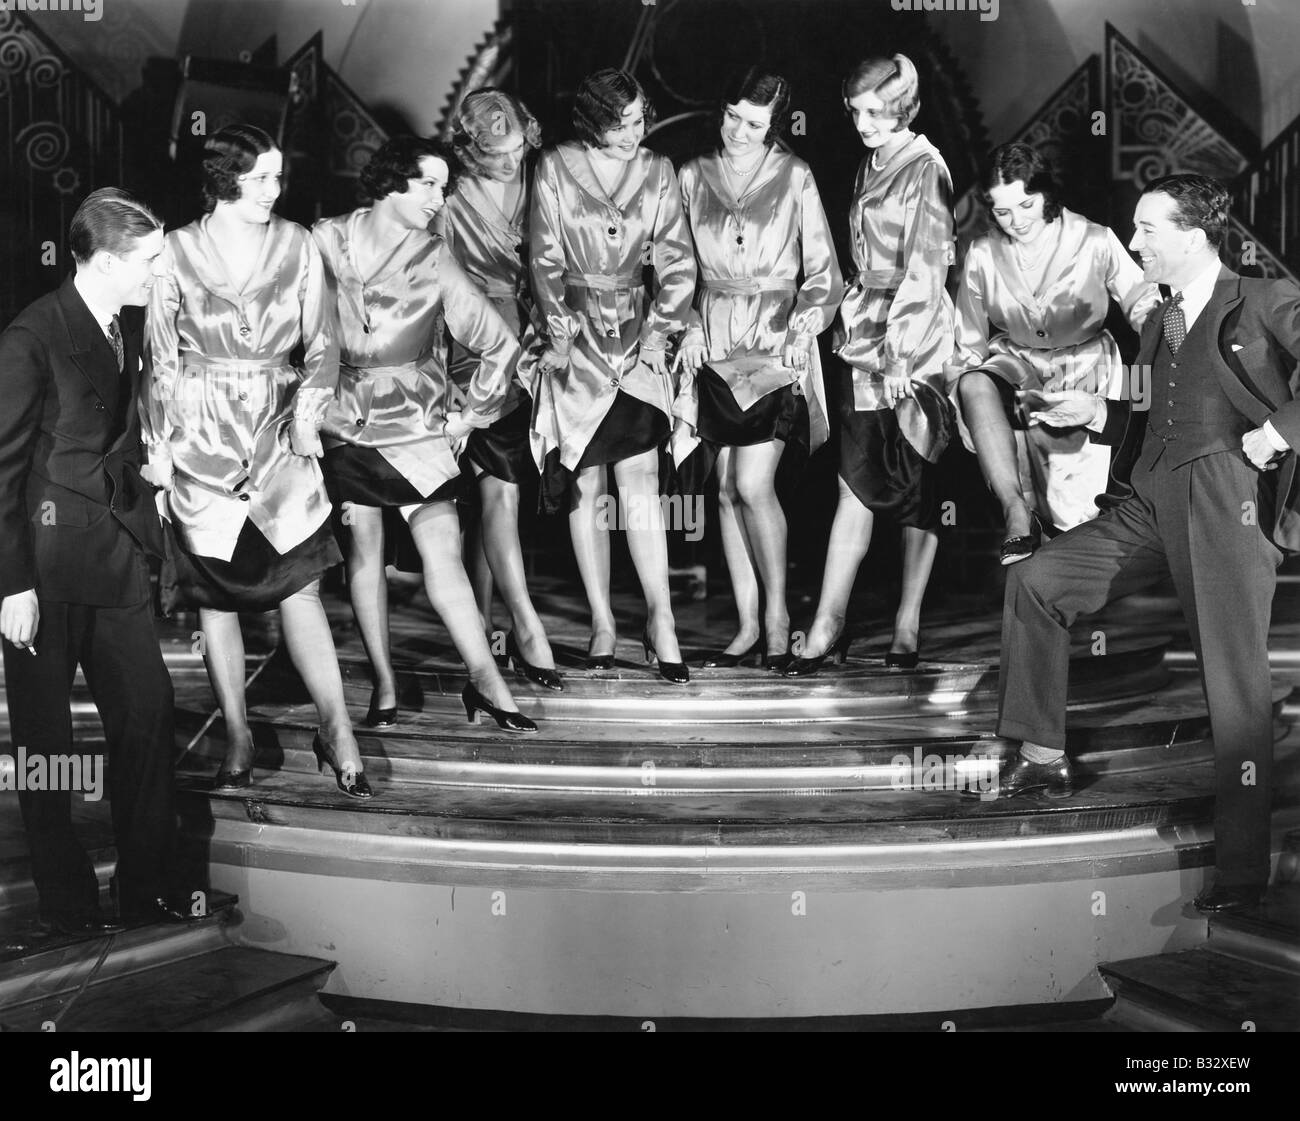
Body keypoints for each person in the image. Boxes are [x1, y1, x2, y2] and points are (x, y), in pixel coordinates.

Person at [989, 173, 1300, 915]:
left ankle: (1243, 867)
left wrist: (1280, 432)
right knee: (1037, 582)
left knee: (1233, 681)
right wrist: (1092, 406)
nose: (1135, 242)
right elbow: (1157, 402)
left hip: (1224, 502)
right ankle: (1041, 755)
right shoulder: (1160, 320)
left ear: (1192, 234)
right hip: (1147, 499)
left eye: (1147, 229)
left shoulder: (1262, 298)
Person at [142, 124, 372, 797]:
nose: (277, 189)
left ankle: (338, 728)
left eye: (279, 175)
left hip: (278, 430)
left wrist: (305, 418)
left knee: (301, 585)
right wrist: (158, 451)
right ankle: (237, 731)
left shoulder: (299, 244)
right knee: (216, 598)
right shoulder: (174, 251)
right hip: (200, 436)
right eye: (262, 177)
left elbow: (323, 341)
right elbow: (159, 359)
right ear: (224, 180)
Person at [0, 188, 191, 933]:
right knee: (48, 748)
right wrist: (11, 583)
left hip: (112, 555)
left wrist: (155, 462)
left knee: (149, 713)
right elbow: (4, 471)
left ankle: (145, 890)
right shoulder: (30, 337)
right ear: (107, 261)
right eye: (149, 261)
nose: (158, 273)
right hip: (43, 569)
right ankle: (67, 903)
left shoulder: (128, 325)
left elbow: (114, 425)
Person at [314, 135, 536, 734]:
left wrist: (472, 415)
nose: (440, 198)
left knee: (443, 553)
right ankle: (384, 682)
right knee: (365, 555)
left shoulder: (436, 256)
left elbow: (501, 344)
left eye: (444, 186)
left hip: (416, 421)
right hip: (344, 420)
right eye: (429, 184)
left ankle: (488, 683)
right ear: (392, 181)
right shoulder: (324, 239)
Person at [785, 54, 954, 676]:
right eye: (856, 111)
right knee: (853, 480)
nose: (864, 122)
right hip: (863, 337)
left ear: (904, 108)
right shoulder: (869, 162)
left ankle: (908, 620)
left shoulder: (926, 168)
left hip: (913, 345)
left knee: (917, 483)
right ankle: (830, 619)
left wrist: (903, 350)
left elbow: (928, 266)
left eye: (877, 112)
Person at [530, 68, 698, 683]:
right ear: (592, 120)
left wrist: (658, 334)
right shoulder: (554, 166)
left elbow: (677, 261)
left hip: (635, 336)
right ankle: (603, 620)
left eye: (638, 119)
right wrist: (555, 332)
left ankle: (662, 619)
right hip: (574, 340)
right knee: (585, 481)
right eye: (618, 122)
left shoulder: (659, 170)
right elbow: (543, 257)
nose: (633, 132)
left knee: (643, 480)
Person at [673, 70, 843, 670]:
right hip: (715, 340)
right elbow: (676, 268)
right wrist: (689, 324)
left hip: (775, 343)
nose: (739, 132)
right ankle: (747, 623)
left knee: (751, 484)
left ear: (774, 126)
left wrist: (804, 327)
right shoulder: (691, 176)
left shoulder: (795, 176)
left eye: (755, 124)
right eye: (733, 116)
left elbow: (824, 272)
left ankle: (778, 617)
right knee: (722, 490)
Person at [949, 143, 1160, 558]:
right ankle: (1014, 510)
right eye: (1002, 211)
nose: (1016, 221)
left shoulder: (1096, 239)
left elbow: (1143, 306)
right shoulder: (982, 253)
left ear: (1046, 193)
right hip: (1016, 368)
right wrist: (962, 409)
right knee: (974, 383)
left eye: (1026, 205)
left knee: (1074, 520)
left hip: (1088, 370)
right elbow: (968, 341)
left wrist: (1163, 365)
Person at [438, 89, 561, 692]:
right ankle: (527, 629)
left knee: (494, 498)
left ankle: (482, 637)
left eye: (518, 149)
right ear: (471, 150)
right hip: (472, 353)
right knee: (499, 495)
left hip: (532, 350)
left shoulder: (540, 183)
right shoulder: (449, 197)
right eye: (499, 154)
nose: (512, 162)